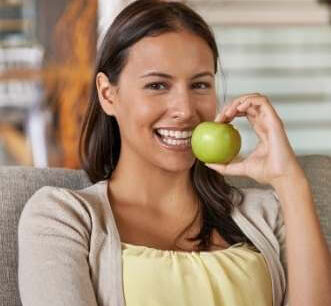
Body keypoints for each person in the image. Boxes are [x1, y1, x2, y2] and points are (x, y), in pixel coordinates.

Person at [18, 1, 331, 306]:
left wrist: (290, 180)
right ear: (107, 94)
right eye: (157, 85)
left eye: (199, 85)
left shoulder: (268, 213)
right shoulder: (61, 217)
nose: (184, 110)